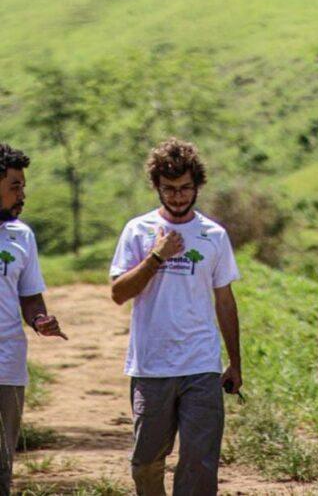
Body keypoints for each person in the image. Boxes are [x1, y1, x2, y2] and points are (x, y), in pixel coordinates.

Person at [110, 137, 242, 496]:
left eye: (185, 188)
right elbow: (118, 293)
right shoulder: (138, 231)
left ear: (197, 185)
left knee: (200, 462)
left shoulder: (214, 235)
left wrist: (235, 363)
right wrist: (156, 256)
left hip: (201, 364)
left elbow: (225, 301)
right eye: (169, 189)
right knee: (146, 461)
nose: (179, 197)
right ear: (157, 186)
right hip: (151, 365)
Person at [0, 143, 67, 496]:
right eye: (15, 187)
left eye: (23, 187)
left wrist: (40, 319)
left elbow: (29, 296)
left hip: (7, 364)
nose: (22, 195)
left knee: (1, 464)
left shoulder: (21, 236)